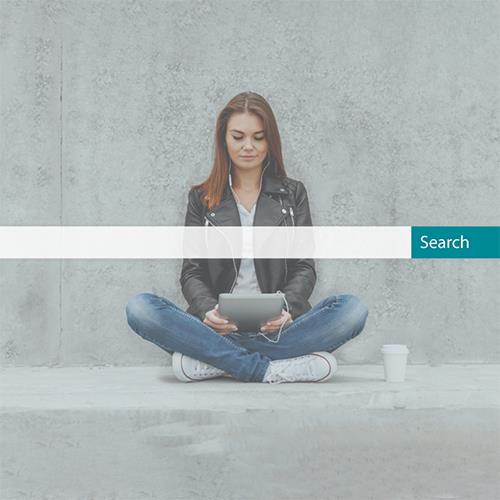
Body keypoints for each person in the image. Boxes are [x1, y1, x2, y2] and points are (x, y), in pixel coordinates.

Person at [125, 91, 369, 384]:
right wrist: (206, 311)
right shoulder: (201, 199)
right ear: (224, 140)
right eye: (238, 137)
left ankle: (216, 361)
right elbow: (192, 272)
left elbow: (304, 267)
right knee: (141, 308)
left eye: (258, 137)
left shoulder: (293, 195)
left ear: (270, 141)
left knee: (352, 310)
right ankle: (265, 369)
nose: (248, 146)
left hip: (277, 329)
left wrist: (286, 308)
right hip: (217, 328)